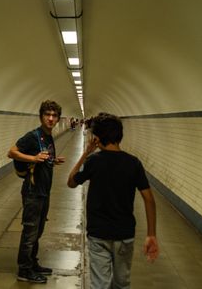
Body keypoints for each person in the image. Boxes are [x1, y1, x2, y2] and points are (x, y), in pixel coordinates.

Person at [67, 113, 159, 289]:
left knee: (99, 284)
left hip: (98, 234)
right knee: (121, 283)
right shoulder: (134, 163)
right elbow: (149, 199)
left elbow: (71, 182)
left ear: (97, 138)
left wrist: (85, 154)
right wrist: (151, 234)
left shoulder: (94, 161)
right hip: (124, 234)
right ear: (119, 136)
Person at [7, 100, 66, 283]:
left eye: (54, 115)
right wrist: (32, 157)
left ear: (58, 119)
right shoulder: (33, 136)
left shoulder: (48, 136)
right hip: (33, 192)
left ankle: (32, 262)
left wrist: (51, 161)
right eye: (47, 115)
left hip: (44, 191)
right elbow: (12, 152)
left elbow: (43, 157)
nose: (50, 118)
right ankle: (24, 270)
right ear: (41, 116)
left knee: (38, 230)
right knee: (30, 232)